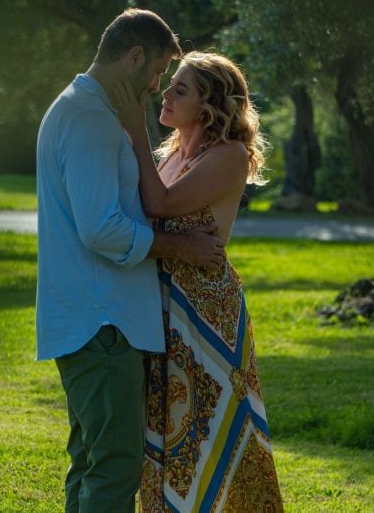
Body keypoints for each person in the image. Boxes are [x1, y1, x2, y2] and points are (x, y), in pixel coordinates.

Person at [36, 11, 228, 513]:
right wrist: (183, 249)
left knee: (93, 460)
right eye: (159, 71)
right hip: (103, 322)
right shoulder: (91, 119)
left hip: (96, 319)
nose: (157, 85)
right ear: (136, 56)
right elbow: (100, 228)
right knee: (116, 463)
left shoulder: (83, 109)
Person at [116, 51, 285, 512]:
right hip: (164, 305)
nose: (166, 94)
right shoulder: (171, 155)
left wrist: (134, 126)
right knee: (168, 429)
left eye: (181, 90)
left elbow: (160, 205)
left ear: (209, 107)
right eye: (169, 85)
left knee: (212, 428)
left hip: (207, 310)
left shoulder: (229, 156)